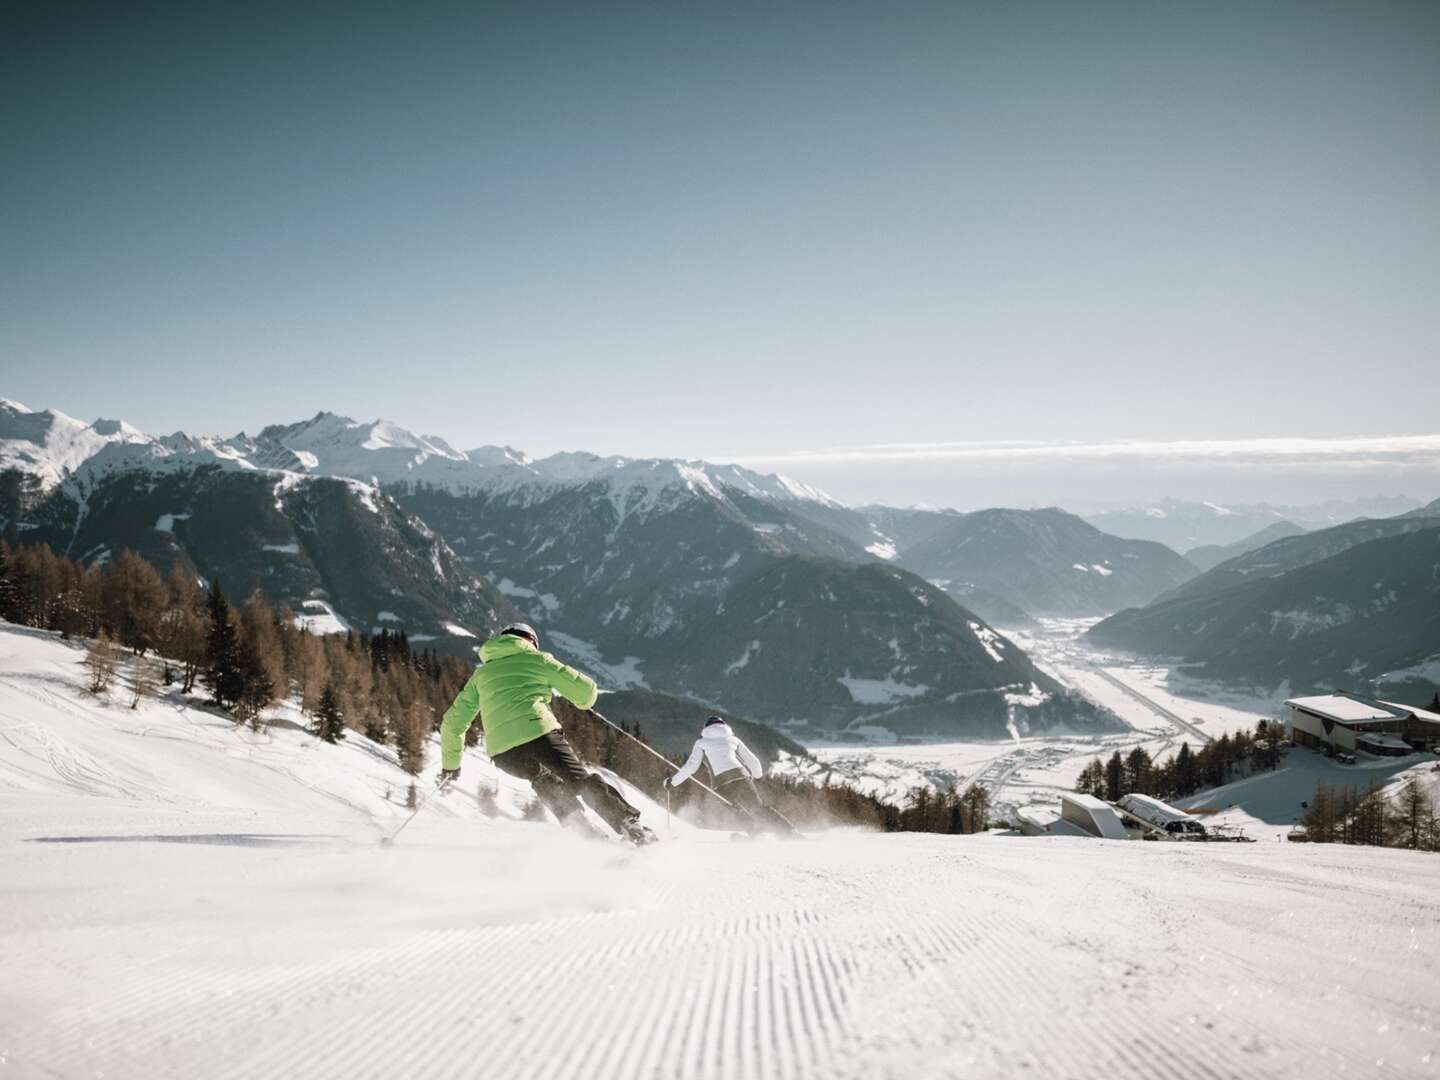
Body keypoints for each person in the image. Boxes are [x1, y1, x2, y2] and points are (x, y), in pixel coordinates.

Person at [440, 622, 656, 845]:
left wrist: (451, 765)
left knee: (542, 779)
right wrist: (580, 699)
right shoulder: (538, 660)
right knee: (579, 780)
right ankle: (630, 826)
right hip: (539, 734)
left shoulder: (480, 676)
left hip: (503, 752)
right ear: (530, 641)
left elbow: (452, 724)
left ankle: (582, 830)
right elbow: (587, 692)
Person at [669, 716, 795, 835]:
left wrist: (673, 782)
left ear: (705, 728)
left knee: (736, 809)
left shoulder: (701, 743)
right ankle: (788, 831)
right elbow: (753, 760)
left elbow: (691, 766)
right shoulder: (733, 739)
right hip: (740, 775)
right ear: (724, 726)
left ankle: (754, 832)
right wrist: (757, 776)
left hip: (720, 783)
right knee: (757, 806)